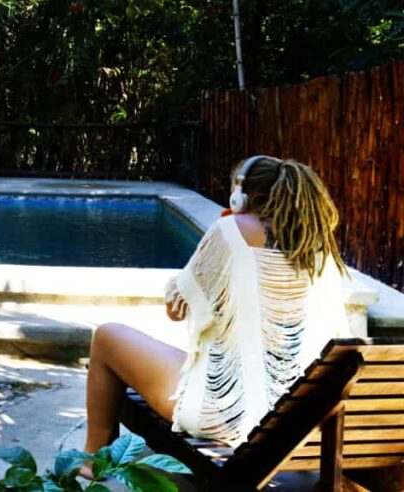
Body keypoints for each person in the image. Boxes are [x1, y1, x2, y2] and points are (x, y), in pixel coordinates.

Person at [82, 156, 352, 462]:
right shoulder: (318, 246)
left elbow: (175, 308)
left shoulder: (231, 229)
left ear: (241, 196)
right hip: (305, 417)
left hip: (226, 413)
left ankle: (93, 459)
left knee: (107, 337)